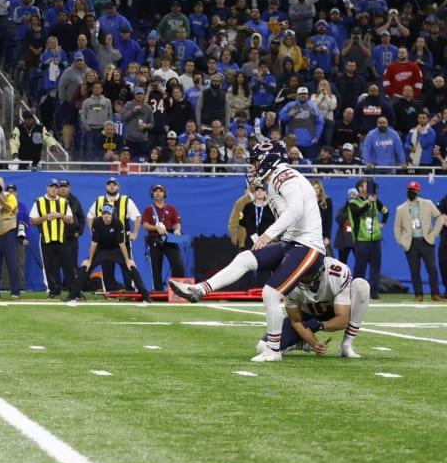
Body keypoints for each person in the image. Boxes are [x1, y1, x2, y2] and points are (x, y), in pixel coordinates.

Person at [171, 141, 326, 363]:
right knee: (244, 258)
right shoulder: (274, 181)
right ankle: (199, 290)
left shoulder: (284, 176)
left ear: (268, 160)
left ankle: (273, 350)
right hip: (292, 243)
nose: (252, 167)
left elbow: (296, 210)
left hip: (308, 246)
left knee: (270, 293)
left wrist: (268, 234)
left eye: (255, 162)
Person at [255, 257, 369, 360]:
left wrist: (321, 325)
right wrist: (314, 343)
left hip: (334, 310)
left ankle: (346, 344)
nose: (304, 278)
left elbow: (342, 320)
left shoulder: (335, 272)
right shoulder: (287, 280)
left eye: (307, 274)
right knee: (263, 347)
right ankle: (302, 344)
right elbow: (296, 321)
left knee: (361, 285)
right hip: (306, 316)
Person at [72, 204, 152, 302]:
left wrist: (127, 260)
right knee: (86, 267)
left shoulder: (118, 223)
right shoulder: (97, 222)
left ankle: (145, 296)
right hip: (100, 250)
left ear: (112, 214)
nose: (106, 216)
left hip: (116, 250)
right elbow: (94, 243)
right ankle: (73, 295)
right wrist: (89, 260)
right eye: (104, 213)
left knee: (131, 268)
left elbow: (121, 244)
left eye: (108, 213)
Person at [394, 181, 444, 302]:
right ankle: (418, 294)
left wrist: (434, 234)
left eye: (414, 190)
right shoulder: (401, 209)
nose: (411, 192)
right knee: (414, 270)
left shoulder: (427, 204)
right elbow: (397, 227)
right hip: (411, 243)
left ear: (419, 191)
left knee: (432, 268)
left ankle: (435, 294)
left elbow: (439, 218)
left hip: (426, 241)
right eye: (409, 189)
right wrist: (401, 241)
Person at [89, 177, 141, 292]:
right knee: (106, 267)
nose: (111, 186)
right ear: (106, 186)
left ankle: (130, 290)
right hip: (105, 242)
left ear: (118, 187)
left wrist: (135, 233)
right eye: (109, 184)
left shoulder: (125, 200)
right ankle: (110, 291)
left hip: (122, 240)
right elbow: (90, 216)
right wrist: (93, 232)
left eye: (114, 184)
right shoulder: (100, 200)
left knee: (127, 266)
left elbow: (137, 216)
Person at [340, 179, 388, 299]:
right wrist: (368, 203)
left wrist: (383, 223)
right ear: (360, 188)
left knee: (375, 267)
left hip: (375, 238)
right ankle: (357, 292)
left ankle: (374, 292)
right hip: (362, 239)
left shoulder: (375, 202)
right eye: (366, 185)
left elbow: (386, 211)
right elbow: (359, 212)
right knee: (360, 267)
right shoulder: (353, 203)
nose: (368, 187)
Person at [30, 178, 75, 299]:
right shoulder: (39, 202)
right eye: (51, 187)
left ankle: (74, 290)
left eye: (56, 187)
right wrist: (46, 217)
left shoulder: (63, 202)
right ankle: (54, 289)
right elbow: (32, 220)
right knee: (49, 266)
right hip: (46, 239)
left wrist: (60, 215)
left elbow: (71, 220)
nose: (54, 189)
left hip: (61, 238)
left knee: (68, 265)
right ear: (47, 188)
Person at [141, 184, 183, 293]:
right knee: (156, 266)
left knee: (178, 263)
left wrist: (177, 230)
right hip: (155, 237)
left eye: (161, 191)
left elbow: (177, 222)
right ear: (152, 194)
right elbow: (145, 225)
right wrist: (156, 227)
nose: (158, 193)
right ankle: (158, 290)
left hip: (169, 237)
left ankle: (177, 290)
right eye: (156, 191)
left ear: (165, 194)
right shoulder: (148, 209)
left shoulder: (171, 208)